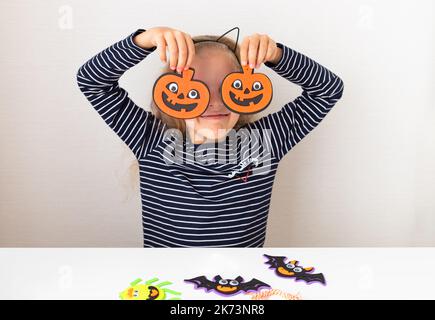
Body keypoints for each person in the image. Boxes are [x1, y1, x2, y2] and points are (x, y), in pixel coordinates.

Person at [76, 27, 344, 247]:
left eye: (229, 86)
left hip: (241, 284)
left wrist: (277, 56)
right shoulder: (150, 139)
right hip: (168, 283)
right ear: (170, 93)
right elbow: (91, 81)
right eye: (196, 90)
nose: (214, 103)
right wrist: (144, 40)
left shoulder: (265, 142)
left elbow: (328, 90)